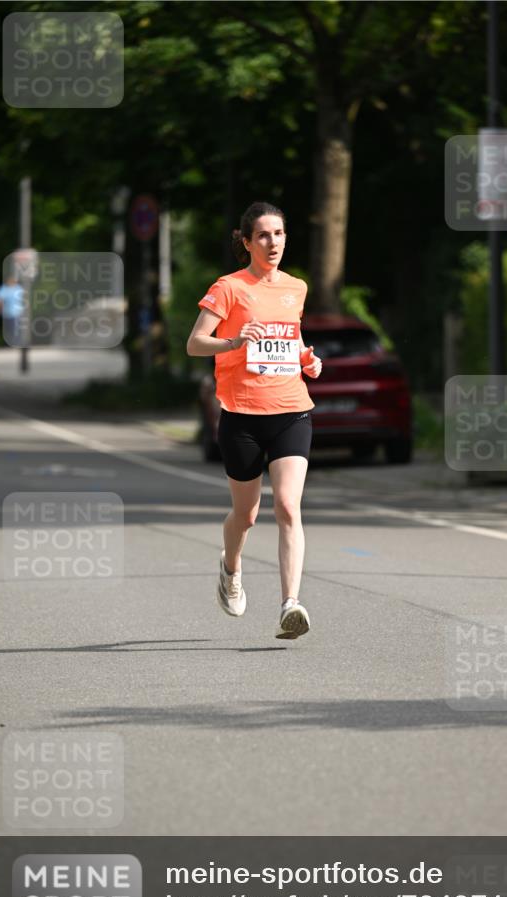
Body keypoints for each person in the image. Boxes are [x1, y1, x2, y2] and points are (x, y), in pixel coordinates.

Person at [187, 201, 322, 639]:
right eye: (263, 235)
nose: (273, 242)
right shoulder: (228, 288)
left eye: (279, 234)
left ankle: (290, 604)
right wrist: (231, 341)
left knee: (287, 506)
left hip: (291, 410)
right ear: (246, 243)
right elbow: (195, 343)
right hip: (242, 415)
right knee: (246, 516)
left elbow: (292, 336)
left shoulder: (296, 287)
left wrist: (307, 359)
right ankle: (230, 568)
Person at [0, 274, 26, 347]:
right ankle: (9, 344)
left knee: (16, 330)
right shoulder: (3, 289)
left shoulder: (19, 288)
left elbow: (25, 300)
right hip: (6, 313)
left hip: (17, 314)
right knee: (8, 330)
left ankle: (16, 344)